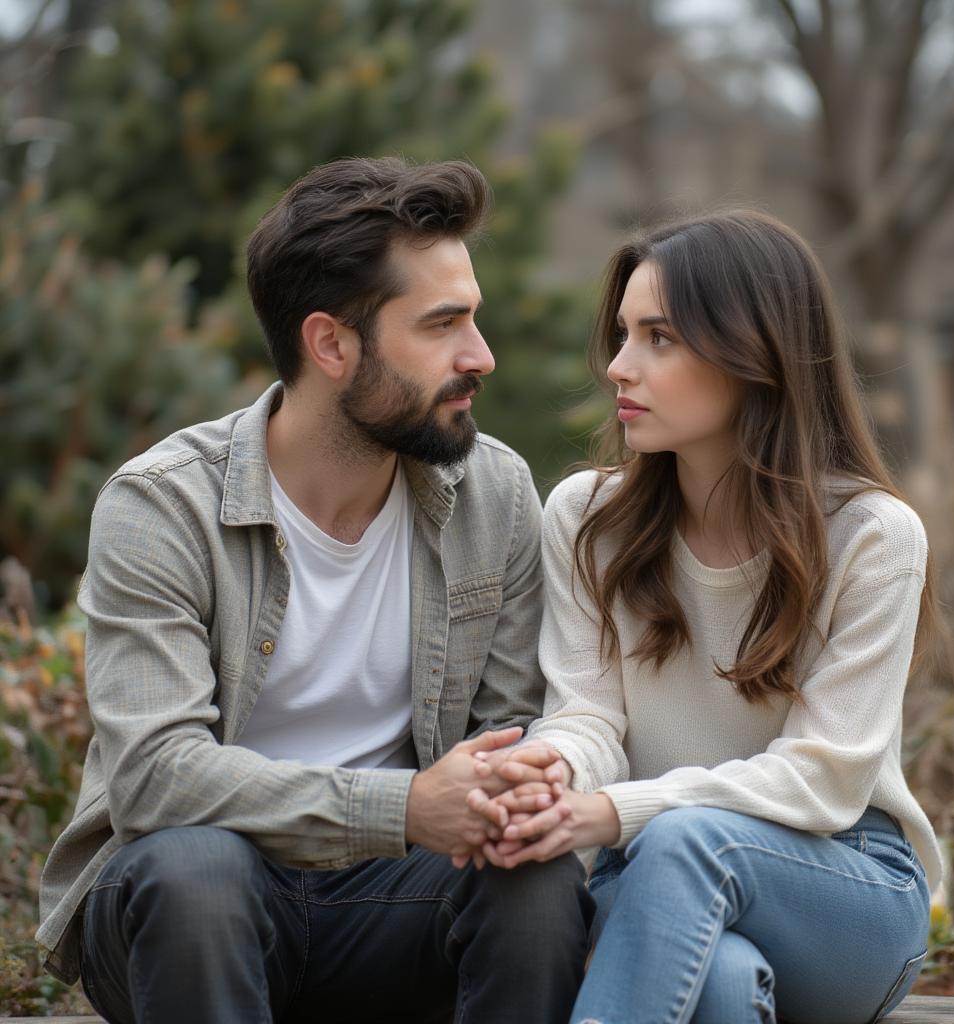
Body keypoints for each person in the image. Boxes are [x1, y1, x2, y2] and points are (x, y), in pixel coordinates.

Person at [35, 156, 593, 1024]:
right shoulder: (162, 504)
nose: (479, 356)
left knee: (534, 875)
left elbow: (504, 736)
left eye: (472, 319)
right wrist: (404, 807)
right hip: (191, 908)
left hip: (393, 904)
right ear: (330, 343)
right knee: (197, 868)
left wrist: (515, 789)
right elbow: (154, 778)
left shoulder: (496, 493)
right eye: (442, 325)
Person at [467, 210, 941, 1024]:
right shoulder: (586, 518)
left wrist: (619, 811)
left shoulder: (871, 537)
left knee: (687, 841)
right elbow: (585, 717)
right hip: (652, 875)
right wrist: (549, 779)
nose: (619, 367)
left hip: (844, 888)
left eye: (660, 338)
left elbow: (825, 776)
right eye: (622, 335)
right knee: (719, 984)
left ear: (755, 353)